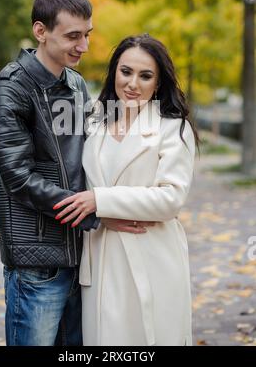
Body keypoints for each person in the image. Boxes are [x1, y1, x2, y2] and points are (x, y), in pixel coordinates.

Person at [54, 34, 199, 346]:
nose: (133, 83)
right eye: (126, 72)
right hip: (101, 252)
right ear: (114, 73)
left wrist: (100, 201)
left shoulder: (173, 128)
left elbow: (170, 198)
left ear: (158, 83)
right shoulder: (96, 125)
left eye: (145, 76)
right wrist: (99, 214)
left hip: (151, 254)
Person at [0, 0, 100, 346]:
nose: (83, 46)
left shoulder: (77, 84)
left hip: (80, 257)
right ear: (41, 31)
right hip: (36, 264)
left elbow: (94, 152)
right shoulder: (10, 88)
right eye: (73, 36)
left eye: (87, 35)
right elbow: (18, 177)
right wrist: (91, 211)